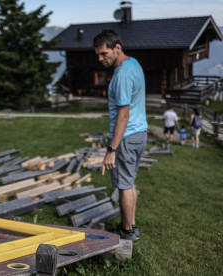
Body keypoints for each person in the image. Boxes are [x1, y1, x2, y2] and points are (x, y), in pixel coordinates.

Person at [93, 29, 148, 242]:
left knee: (124, 185)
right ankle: (130, 225)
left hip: (126, 137)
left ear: (117, 48)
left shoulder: (122, 75)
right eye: (98, 54)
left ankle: (127, 232)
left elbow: (123, 116)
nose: (100, 59)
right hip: (139, 133)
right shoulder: (133, 64)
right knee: (130, 182)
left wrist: (111, 150)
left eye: (104, 53)